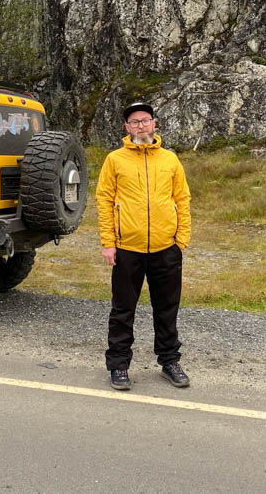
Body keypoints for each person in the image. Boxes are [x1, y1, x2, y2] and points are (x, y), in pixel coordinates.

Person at [96, 101, 192, 390]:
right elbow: (104, 201)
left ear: (154, 124)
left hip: (166, 248)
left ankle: (169, 361)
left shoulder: (170, 160)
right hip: (127, 249)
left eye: (145, 120)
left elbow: (182, 199)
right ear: (127, 128)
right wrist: (108, 243)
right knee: (123, 310)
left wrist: (181, 240)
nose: (140, 125)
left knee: (167, 309)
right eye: (134, 121)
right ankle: (119, 365)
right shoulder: (115, 160)